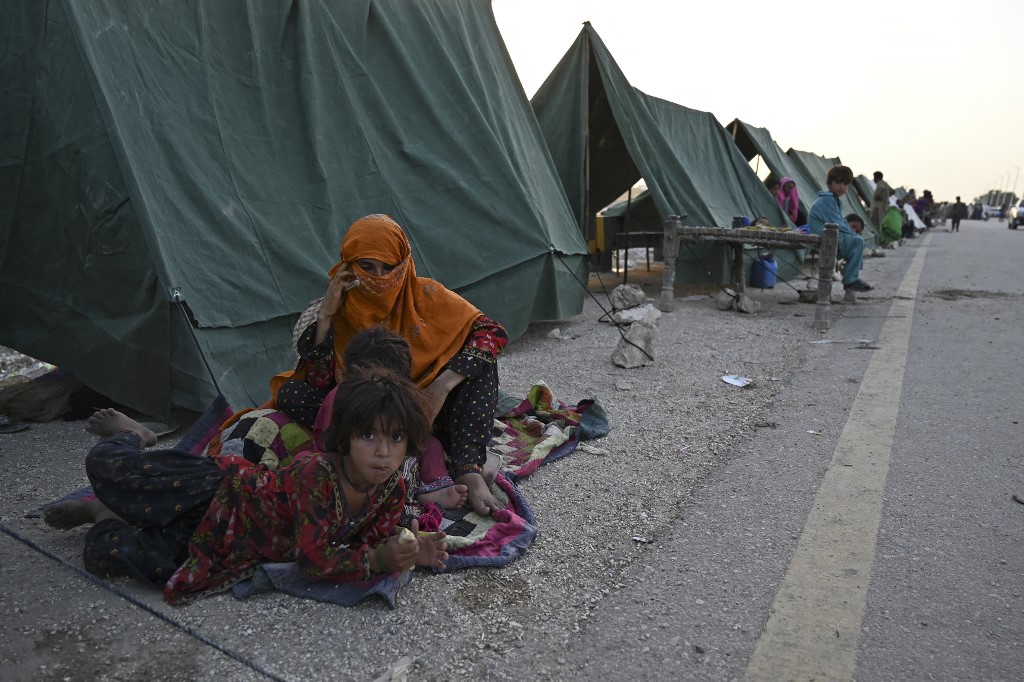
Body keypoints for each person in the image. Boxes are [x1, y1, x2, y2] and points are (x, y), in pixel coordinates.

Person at [43, 369, 449, 605]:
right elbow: (315, 560)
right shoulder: (319, 474)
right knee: (109, 468)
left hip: (234, 541)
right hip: (216, 489)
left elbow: (373, 541)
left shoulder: (392, 489)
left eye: (396, 439)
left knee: (109, 553)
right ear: (345, 437)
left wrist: (413, 550)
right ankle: (136, 435)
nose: (382, 452)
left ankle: (101, 511)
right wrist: (381, 559)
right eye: (368, 437)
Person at [275, 213, 508, 516]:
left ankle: (468, 467)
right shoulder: (338, 306)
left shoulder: (427, 294)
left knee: (481, 366)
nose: (379, 278)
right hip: (367, 411)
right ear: (347, 267)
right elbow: (320, 383)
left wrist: (442, 385)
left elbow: (493, 332)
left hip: (429, 413)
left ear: (404, 265)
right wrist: (326, 316)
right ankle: (373, 451)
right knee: (290, 391)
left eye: (389, 268)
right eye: (367, 268)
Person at [807, 165, 872, 292]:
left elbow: (840, 223)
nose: (842, 187)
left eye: (845, 184)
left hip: (830, 233)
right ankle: (850, 280)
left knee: (857, 241)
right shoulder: (827, 200)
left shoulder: (835, 200)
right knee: (857, 241)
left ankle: (852, 278)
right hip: (824, 234)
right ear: (829, 183)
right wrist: (854, 236)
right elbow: (837, 223)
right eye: (838, 183)